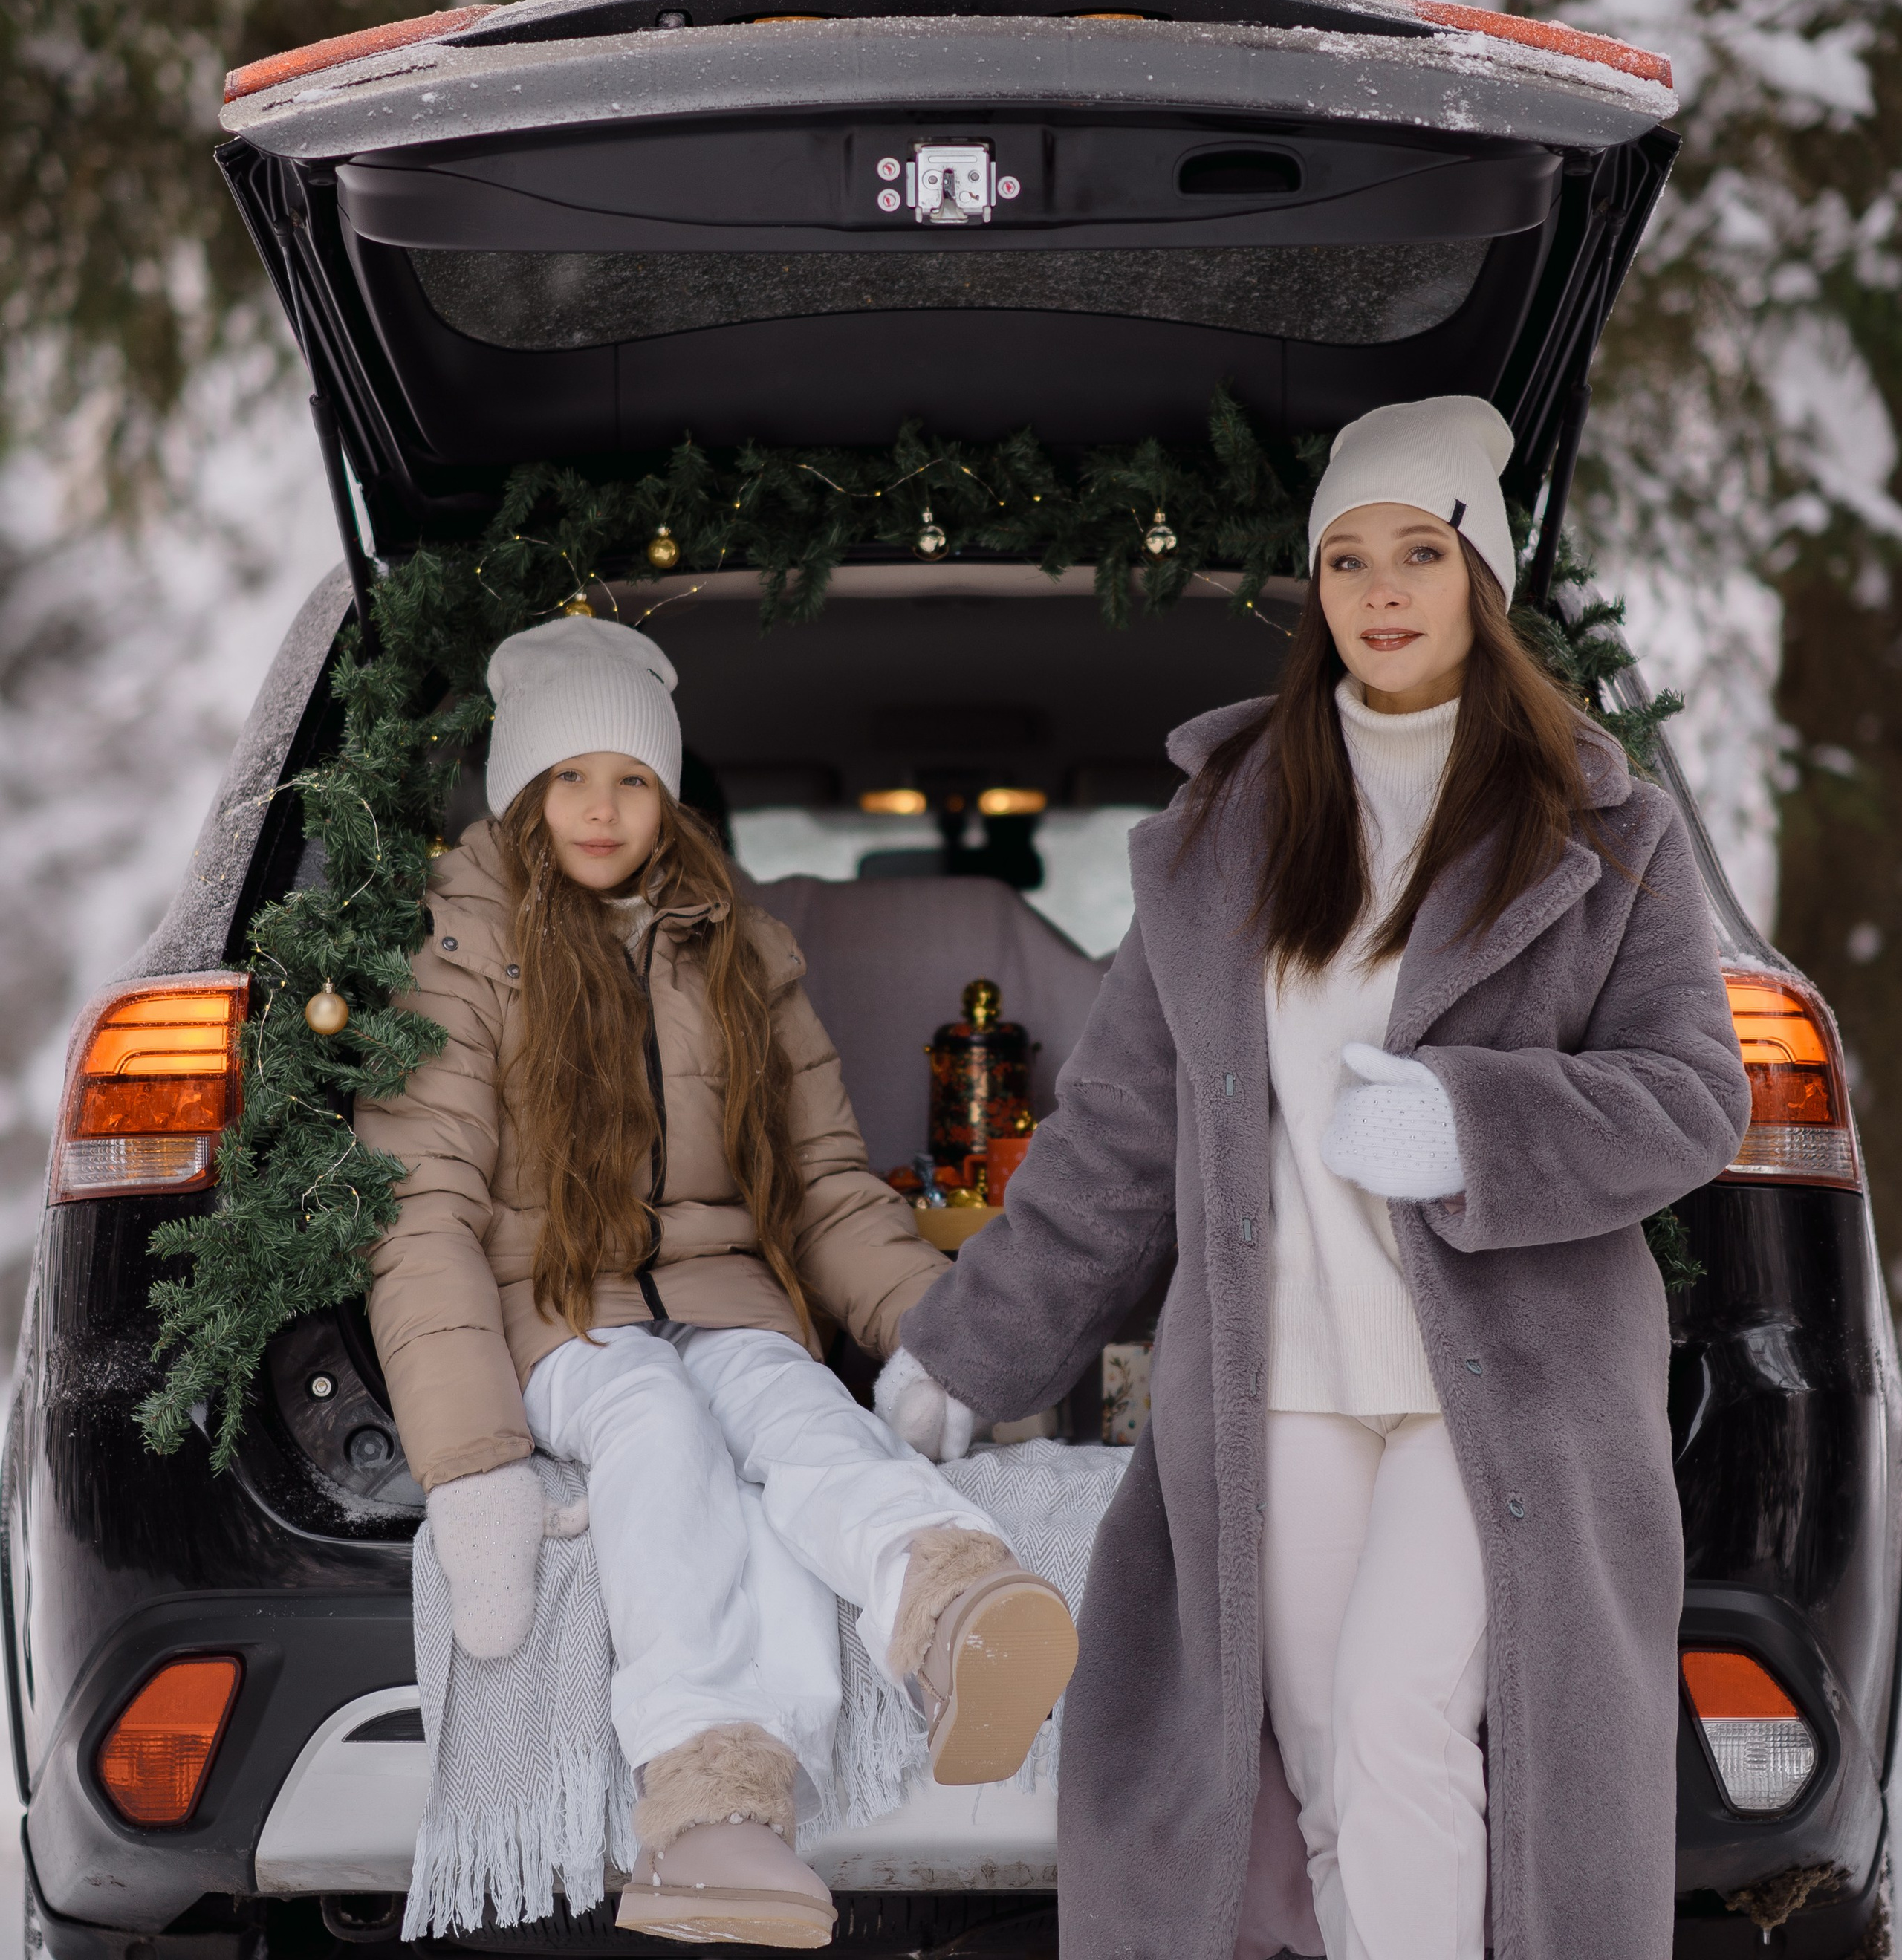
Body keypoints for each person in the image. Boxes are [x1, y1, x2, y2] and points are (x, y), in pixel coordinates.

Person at [874, 395, 1753, 1960]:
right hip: (1274, 1389)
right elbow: (1118, 1134)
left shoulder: (1606, 833)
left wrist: (1471, 1127)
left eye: (1418, 549)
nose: (1379, 588)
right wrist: (970, 1344)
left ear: (1478, 577)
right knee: (1331, 1777)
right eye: (1344, 558)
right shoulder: (1226, 830)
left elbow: (1691, 1096)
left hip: (1506, 1386)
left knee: (1395, 1725)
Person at [357, 615, 1079, 1950]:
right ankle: (713, 1806)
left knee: (805, 1417)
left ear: (668, 794)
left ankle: (956, 1604)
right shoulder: (461, 949)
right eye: (570, 776)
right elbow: (421, 1212)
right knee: (658, 1435)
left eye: (632, 779)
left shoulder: (734, 944)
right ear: (520, 789)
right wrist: (471, 1462)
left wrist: (952, 1339)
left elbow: (824, 1186)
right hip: (558, 1304)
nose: (601, 807)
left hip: (727, 1292)